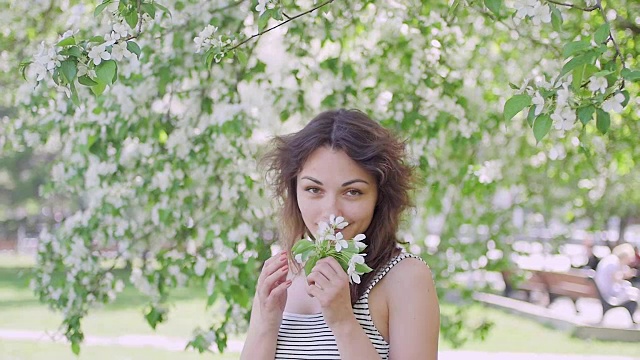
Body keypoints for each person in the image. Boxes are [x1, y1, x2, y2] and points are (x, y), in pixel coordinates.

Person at [241, 109, 440, 359]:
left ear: (380, 196)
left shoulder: (406, 277)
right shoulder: (283, 275)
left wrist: (343, 320)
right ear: (294, 192)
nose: (331, 212)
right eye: (314, 189)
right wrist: (266, 325)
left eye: (353, 192)